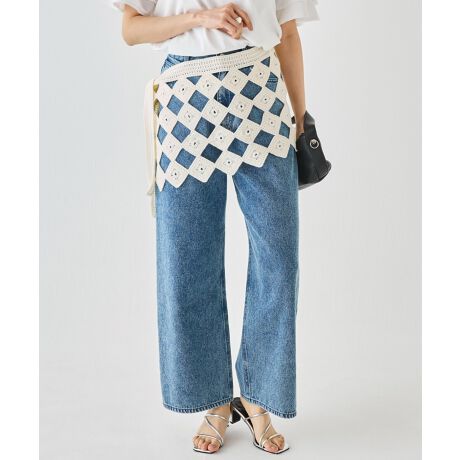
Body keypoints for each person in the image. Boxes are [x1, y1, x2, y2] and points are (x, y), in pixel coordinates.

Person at [113, 0, 319, 454]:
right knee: (188, 260)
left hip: (261, 93)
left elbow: (287, 33)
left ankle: (259, 396)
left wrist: (301, 121)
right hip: (184, 95)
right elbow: (131, 29)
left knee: (278, 258)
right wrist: (199, 18)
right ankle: (214, 401)